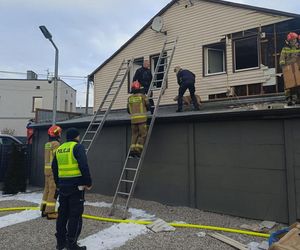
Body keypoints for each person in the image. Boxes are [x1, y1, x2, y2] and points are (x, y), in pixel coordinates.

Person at [52, 128, 92, 250]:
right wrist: (88, 182)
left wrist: (58, 184)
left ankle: (60, 243)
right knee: (75, 216)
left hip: (63, 187)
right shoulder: (77, 147)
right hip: (76, 187)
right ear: (77, 136)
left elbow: (54, 168)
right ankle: (72, 244)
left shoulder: (60, 149)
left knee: (62, 215)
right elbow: (83, 165)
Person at [40, 125, 62, 220]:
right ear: (56, 133)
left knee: (47, 190)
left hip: (47, 170)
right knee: (53, 191)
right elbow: (58, 158)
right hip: (53, 171)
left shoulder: (47, 144)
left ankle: (44, 210)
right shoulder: (56, 144)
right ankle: (51, 212)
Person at [127, 81, 150, 158]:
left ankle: (132, 150)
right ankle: (138, 149)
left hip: (133, 120)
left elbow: (128, 110)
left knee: (134, 135)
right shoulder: (143, 96)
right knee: (143, 134)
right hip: (142, 120)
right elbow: (148, 105)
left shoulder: (129, 98)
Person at [280, 32, 300, 106]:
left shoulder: (299, 47)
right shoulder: (285, 49)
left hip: (297, 69)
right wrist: (283, 65)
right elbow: (282, 58)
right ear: (289, 41)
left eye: (294, 40)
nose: (293, 41)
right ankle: (289, 99)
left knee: (298, 85)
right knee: (287, 86)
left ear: (296, 40)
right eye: (291, 40)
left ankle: (298, 99)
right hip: (288, 70)